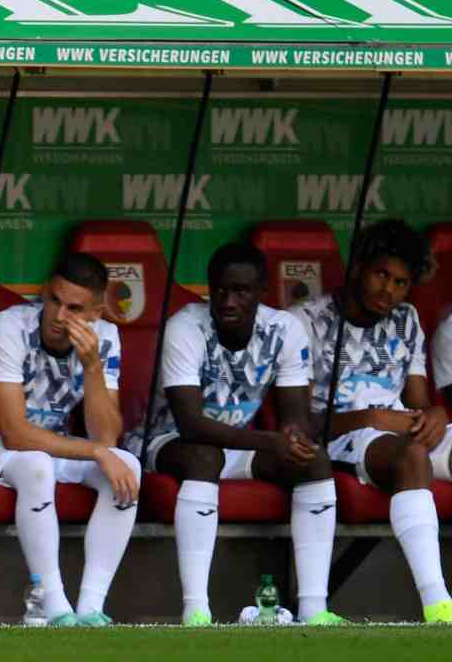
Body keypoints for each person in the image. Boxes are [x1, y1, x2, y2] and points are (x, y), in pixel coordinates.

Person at [124, 242, 342, 626]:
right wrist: (270, 442)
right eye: (220, 290)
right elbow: (190, 424)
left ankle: (314, 608)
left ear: (262, 292)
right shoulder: (186, 326)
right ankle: (196, 610)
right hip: (164, 442)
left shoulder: (284, 329)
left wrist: (292, 439)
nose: (228, 301)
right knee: (205, 455)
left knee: (313, 461)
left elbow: (295, 416)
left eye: (241, 291)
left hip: (236, 444)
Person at [0, 253, 139, 627]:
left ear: (96, 313)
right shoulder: (8, 327)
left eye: (74, 308)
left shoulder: (105, 337)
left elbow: (106, 436)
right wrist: (97, 451)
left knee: (127, 465)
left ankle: (91, 609)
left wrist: (92, 367)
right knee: (36, 465)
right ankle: (54, 607)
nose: (58, 315)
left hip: (47, 443)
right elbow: (14, 432)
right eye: (53, 300)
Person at [291, 218, 452, 624]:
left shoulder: (406, 319)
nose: (388, 290)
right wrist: (371, 418)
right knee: (411, 456)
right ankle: (439, 604)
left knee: (417, 447)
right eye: (381, 274)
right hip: (343, 436)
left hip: (400, 429)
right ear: (358, 265)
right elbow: (300, 422)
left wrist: (436, 415)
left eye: (400, 282)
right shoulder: (306, 319)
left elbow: (418, 402)